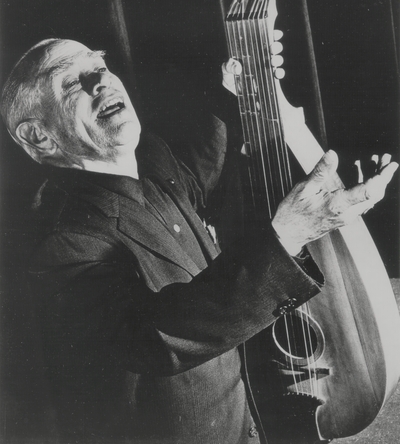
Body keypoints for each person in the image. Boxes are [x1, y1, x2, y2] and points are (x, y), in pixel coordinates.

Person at [1, 38, 397, 444]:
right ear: (39, 137)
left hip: (250, 417)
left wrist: (238, 91)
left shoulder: (148, 159)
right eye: (71, 82)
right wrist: (289, 234)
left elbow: (198, 174)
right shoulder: (58, 240)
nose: (100, 80)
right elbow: (153, 338)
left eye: (99, 65)